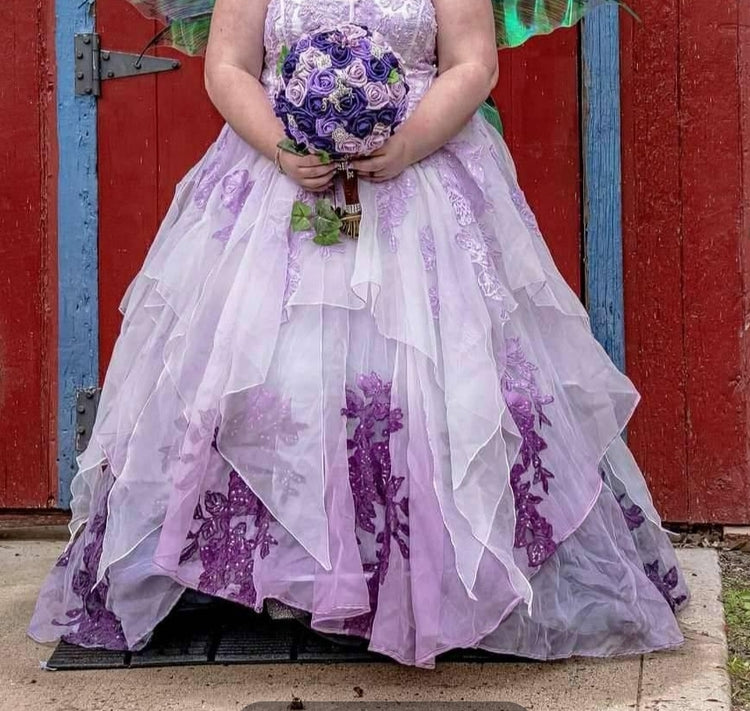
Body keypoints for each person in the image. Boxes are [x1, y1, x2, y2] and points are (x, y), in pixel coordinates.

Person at [29, 0, 688, 669]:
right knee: (258, 379)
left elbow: (472, 63)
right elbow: (229, 67)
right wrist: (282, 147)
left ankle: (430, 583)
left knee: (438, 383)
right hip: (276, 183)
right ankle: (287, 576)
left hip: (424, 180)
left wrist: (407, 143)